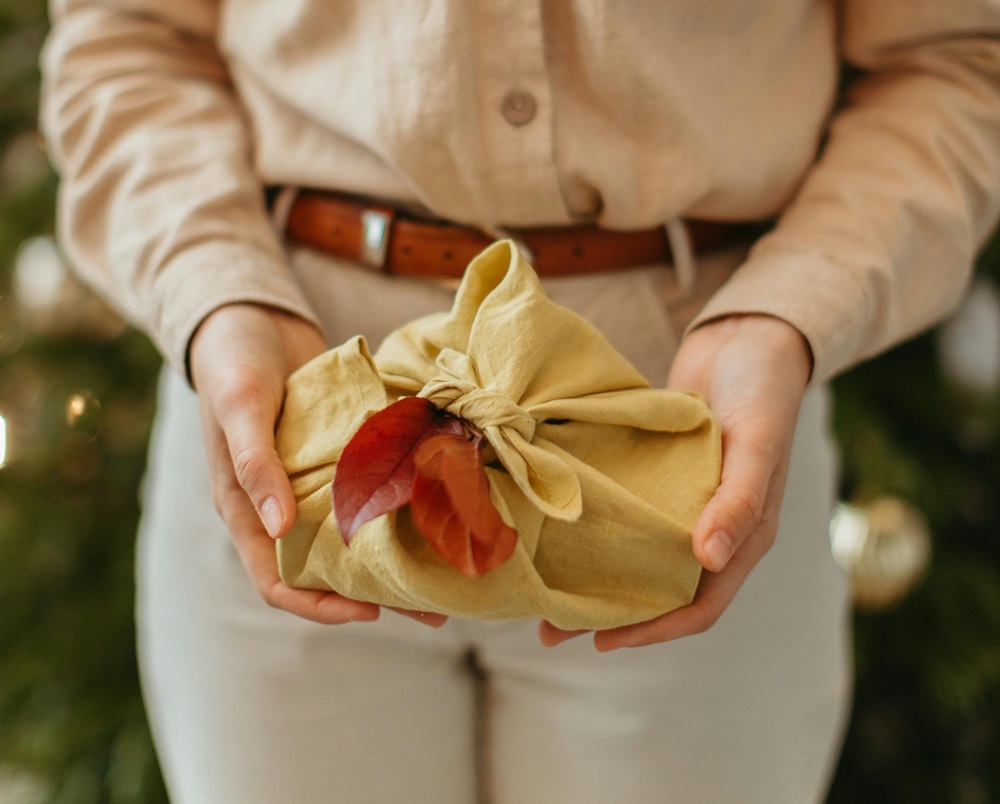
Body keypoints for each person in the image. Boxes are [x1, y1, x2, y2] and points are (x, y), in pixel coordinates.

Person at [41, 2, 1000, 802]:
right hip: (296, 406)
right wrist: (217, 297)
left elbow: (951, 61)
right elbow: (129, 36)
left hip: (690, 423)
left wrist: (788, 317)